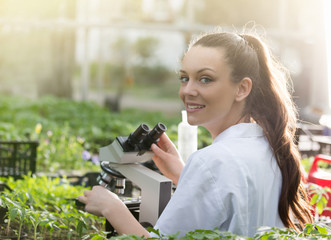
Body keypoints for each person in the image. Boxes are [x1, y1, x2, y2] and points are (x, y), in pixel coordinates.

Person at [77, 30, 313, 238]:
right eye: (184, 78)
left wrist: (112, 207)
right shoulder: (270, 147)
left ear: (242, 88)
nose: (188, 90)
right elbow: (235, 207)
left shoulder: (212, 162)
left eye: (205, 79)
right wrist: (184, 175)